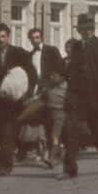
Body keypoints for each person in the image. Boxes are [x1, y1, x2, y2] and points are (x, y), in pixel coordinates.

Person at [59, 14, 98, 179]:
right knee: (71, 131)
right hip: (77, 97)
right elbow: (72, 71)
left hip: (96, 98)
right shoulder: (76, 47)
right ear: (79, 30)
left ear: (93, 30)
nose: (88, 31)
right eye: (84, 29)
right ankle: (70, 169)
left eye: (90, 28)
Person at [0, 23, 37, 176]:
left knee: (8, 133)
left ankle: (6, 166)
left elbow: (32, 74)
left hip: (15, 101)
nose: (0, 40)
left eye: (3, 36)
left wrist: (28, 93)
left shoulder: (19, 53)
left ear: (8, 36)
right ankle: (0, 161)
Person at [28, 27, 66, 166]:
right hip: (37, 91)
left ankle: (53, 154)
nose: (35, 40)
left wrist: (53, 84)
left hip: (51, 89)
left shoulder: (51, 50)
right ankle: (56, 155)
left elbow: (60, 68)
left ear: (42, 38)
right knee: (45, 123)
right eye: (32, 38)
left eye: (37, 37)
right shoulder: (30, 54)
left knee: (54, 121)